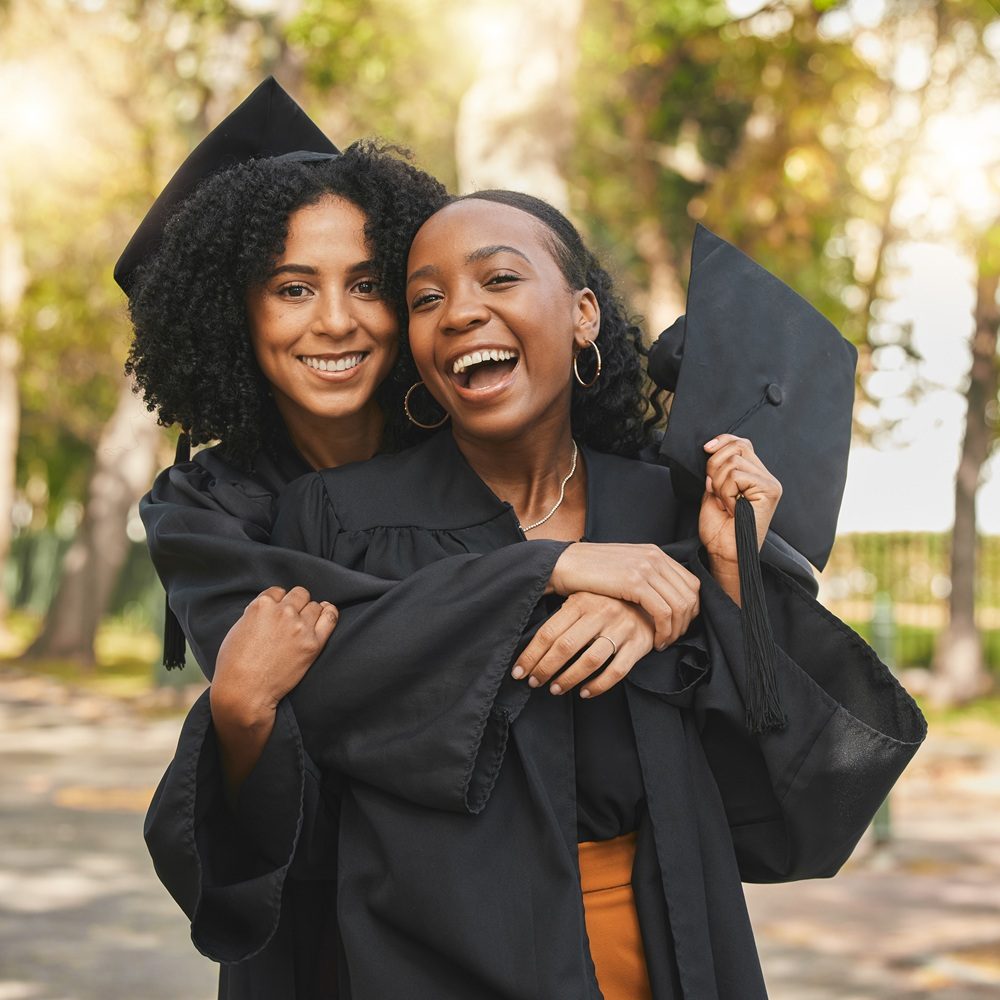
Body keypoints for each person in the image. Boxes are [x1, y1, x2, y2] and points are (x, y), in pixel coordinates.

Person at [169, 190, 921, 999]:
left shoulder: (664, 512)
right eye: (425, 298)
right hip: (425, 964)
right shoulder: (341, 518)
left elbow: (786, 805)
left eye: (499, 279)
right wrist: (550, 573)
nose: (460, 312)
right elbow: (316, 777)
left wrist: (732, 583)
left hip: (664, 956)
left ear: (584, 315)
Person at [125, 82, 708, 998]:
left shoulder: (478, 431)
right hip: (332, 922)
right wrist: (553, 570)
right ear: (231, 319)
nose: (336, 321)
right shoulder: (212, 507)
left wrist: (655, 598)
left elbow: (654, 524)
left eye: (368, 284)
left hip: (514, 917)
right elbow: (336, 676)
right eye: (291, 289)